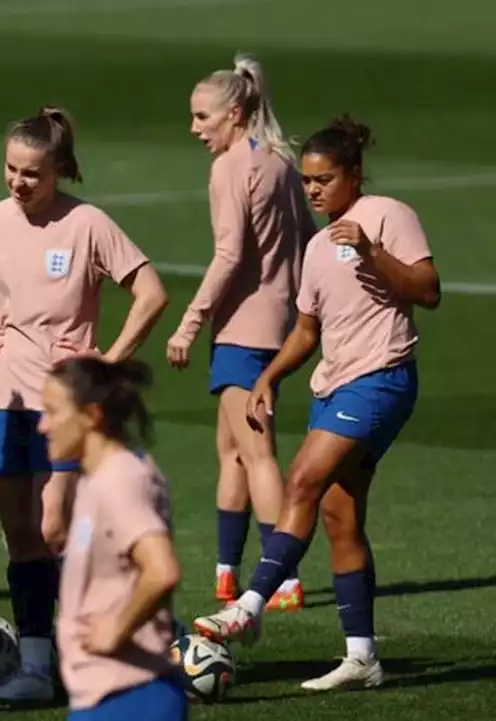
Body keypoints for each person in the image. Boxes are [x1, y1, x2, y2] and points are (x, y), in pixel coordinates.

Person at [193, 116, 441, 691]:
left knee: (300, 477)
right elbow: (307, 330)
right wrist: (267, 377)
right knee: (337, 513)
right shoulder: (317, 244)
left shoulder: (389, 216)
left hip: (381, 379)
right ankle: (363, 657)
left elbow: (428, 290)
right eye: (306, 181)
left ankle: (249, 606)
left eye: (324, 179)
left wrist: (374, 253)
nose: (312, 190)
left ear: (353, 175)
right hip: (333, 385)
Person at [0, 106, 168, 703]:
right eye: (11, 169)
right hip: (3, 396)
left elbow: (150, 292)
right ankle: (40, 664)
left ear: (58, 169)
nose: (18, 182)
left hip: (67, 408)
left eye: (31, 173)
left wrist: (108, 362)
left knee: (54, 526)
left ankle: (99, 645)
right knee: (19, 531)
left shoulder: (87, 224)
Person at [166, 53, 316, 611]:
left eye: (202, 117)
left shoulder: (231, 167)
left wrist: (190, 321)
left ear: (233, 112)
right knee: (230, 450)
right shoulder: (279, 161)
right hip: (274, 323)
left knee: (256, 454)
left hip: (242, 328)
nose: (194, 129)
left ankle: (283, 578)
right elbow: (307, 237)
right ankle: (227, 573)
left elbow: (228, 255)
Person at [41, 358, 185, 721]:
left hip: (130, 697)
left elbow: (162, 570)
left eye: (52, 412)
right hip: (106, 695)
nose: (42, 426)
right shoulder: (95, 479)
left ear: (91, 416)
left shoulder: (120, 480)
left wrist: (116, 629)